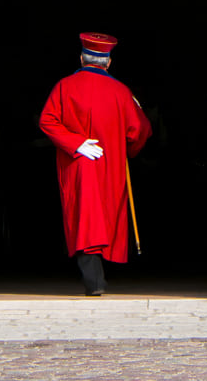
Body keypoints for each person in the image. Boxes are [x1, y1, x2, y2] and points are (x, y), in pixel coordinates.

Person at [38, 31, 152, 296]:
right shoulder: (122, 91)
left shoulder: (64, 86)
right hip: (109, 165)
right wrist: (128, 151)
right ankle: (96, 280)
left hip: (77, 162)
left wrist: (75, 143)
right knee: (103, 217)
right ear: (108, 62)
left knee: (85, 220)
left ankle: (95, 280)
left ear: (81, 58)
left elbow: (47, 120)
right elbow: (140, 130)